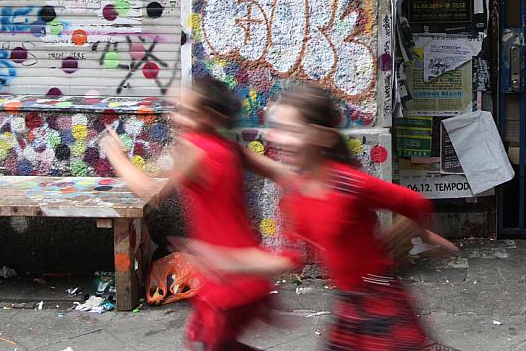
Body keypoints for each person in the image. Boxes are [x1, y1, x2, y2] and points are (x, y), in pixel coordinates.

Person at [183, 84, 457, 351]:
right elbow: (290, 259)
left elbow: (416, 204)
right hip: (350, 304)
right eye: (275, 129)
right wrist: (230, 263)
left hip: (383, 301)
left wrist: (404, 240)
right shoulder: (293, 196)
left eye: (290, 130)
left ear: (323, 137)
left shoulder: (348, 184)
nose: (275, 138)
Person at [100, 77, 275, 351]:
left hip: (227, 276)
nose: (174, 116)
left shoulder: (194, 149)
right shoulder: (230, 147)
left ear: (208, 116)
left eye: (184, 110)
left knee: (211, 344)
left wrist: (116, 156)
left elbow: (149, 190)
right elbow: (279, 172)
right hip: (247, 269)